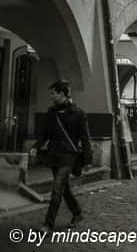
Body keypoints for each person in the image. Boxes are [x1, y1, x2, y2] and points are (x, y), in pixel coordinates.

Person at [30, 80, 92, 231]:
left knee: (57, 188)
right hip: (54, 155)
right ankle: (77, 213)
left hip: (69, 156)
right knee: (64, 189)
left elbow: (85, 138)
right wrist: (35, 147)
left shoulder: (79, 114)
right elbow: (44, 133)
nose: (52, 96)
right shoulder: (51, 112)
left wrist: (87, 160)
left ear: (63, 94)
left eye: (54, 93)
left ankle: (48, 224)